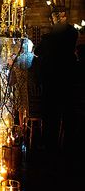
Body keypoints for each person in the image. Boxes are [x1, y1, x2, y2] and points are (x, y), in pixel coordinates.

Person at [34, 8, 78, 152]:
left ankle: (51, 143)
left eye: (55, 18)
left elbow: (37, 51)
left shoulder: (56, 36)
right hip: (65, 78)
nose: (54, 20)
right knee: (64, 112)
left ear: (61, 17)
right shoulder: (69, 33)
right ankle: (66, 144)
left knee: (53, 113)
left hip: (55, 78)